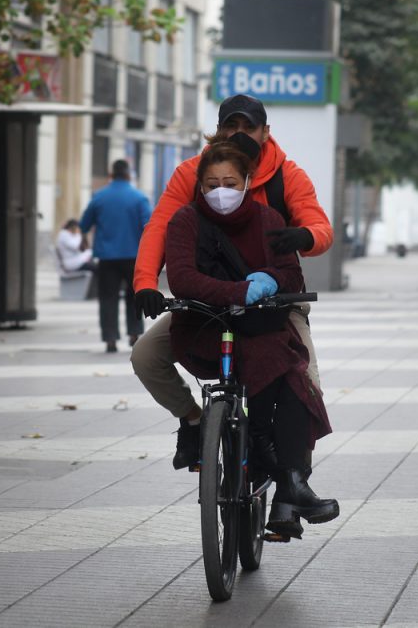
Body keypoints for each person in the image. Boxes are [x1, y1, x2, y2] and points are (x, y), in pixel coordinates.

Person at [130, 94, 333, 471]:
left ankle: (293, 488)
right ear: (218, 131)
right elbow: (159, 228)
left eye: (248, 127)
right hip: (209, 304)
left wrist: (304, 237)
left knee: (305, 387)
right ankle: (194, 421)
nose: (239, 133)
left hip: (273, 307)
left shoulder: (288, 176)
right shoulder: (192, 173)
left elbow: (319, 227)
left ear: (265, 132)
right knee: (145, 356)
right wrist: (145, 282)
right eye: (230, 126)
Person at [165, 142, 337, 539]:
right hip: (204, 327)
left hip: (258, 328)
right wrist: (239, 291)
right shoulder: (185, 222)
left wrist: (272, 280)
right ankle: (249, 443)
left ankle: (291, 480)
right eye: (211, 184)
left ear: (246, 183)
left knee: (294, 372)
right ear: (199, 186)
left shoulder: (269, 218)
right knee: (152, 358)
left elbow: (292, 276)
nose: (220, 190)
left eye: (229, 182)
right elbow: (183, 279)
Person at [79, 160, 151, 353]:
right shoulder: (139, 198)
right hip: (134, 257)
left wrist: (84, 238)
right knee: (135, 296)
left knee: (108, 297)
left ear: (111, 175)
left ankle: (110, 338)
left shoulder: (99, 197)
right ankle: (134, 333)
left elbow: (84, 224)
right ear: (128, 175)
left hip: (107, 257)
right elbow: (149, 227)